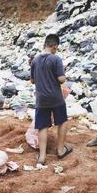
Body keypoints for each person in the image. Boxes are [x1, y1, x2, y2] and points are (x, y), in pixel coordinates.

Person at [30, 34, 72, 165]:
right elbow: (61, 79)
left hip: (41, 99)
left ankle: (42, 157)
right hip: (55, 97)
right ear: (54, 46)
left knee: (42, 126)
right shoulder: (56, 59)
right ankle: (60, 150)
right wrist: (64, 74)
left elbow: (32, 80)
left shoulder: (35, 60)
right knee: (62, 121)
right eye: (56, 48)